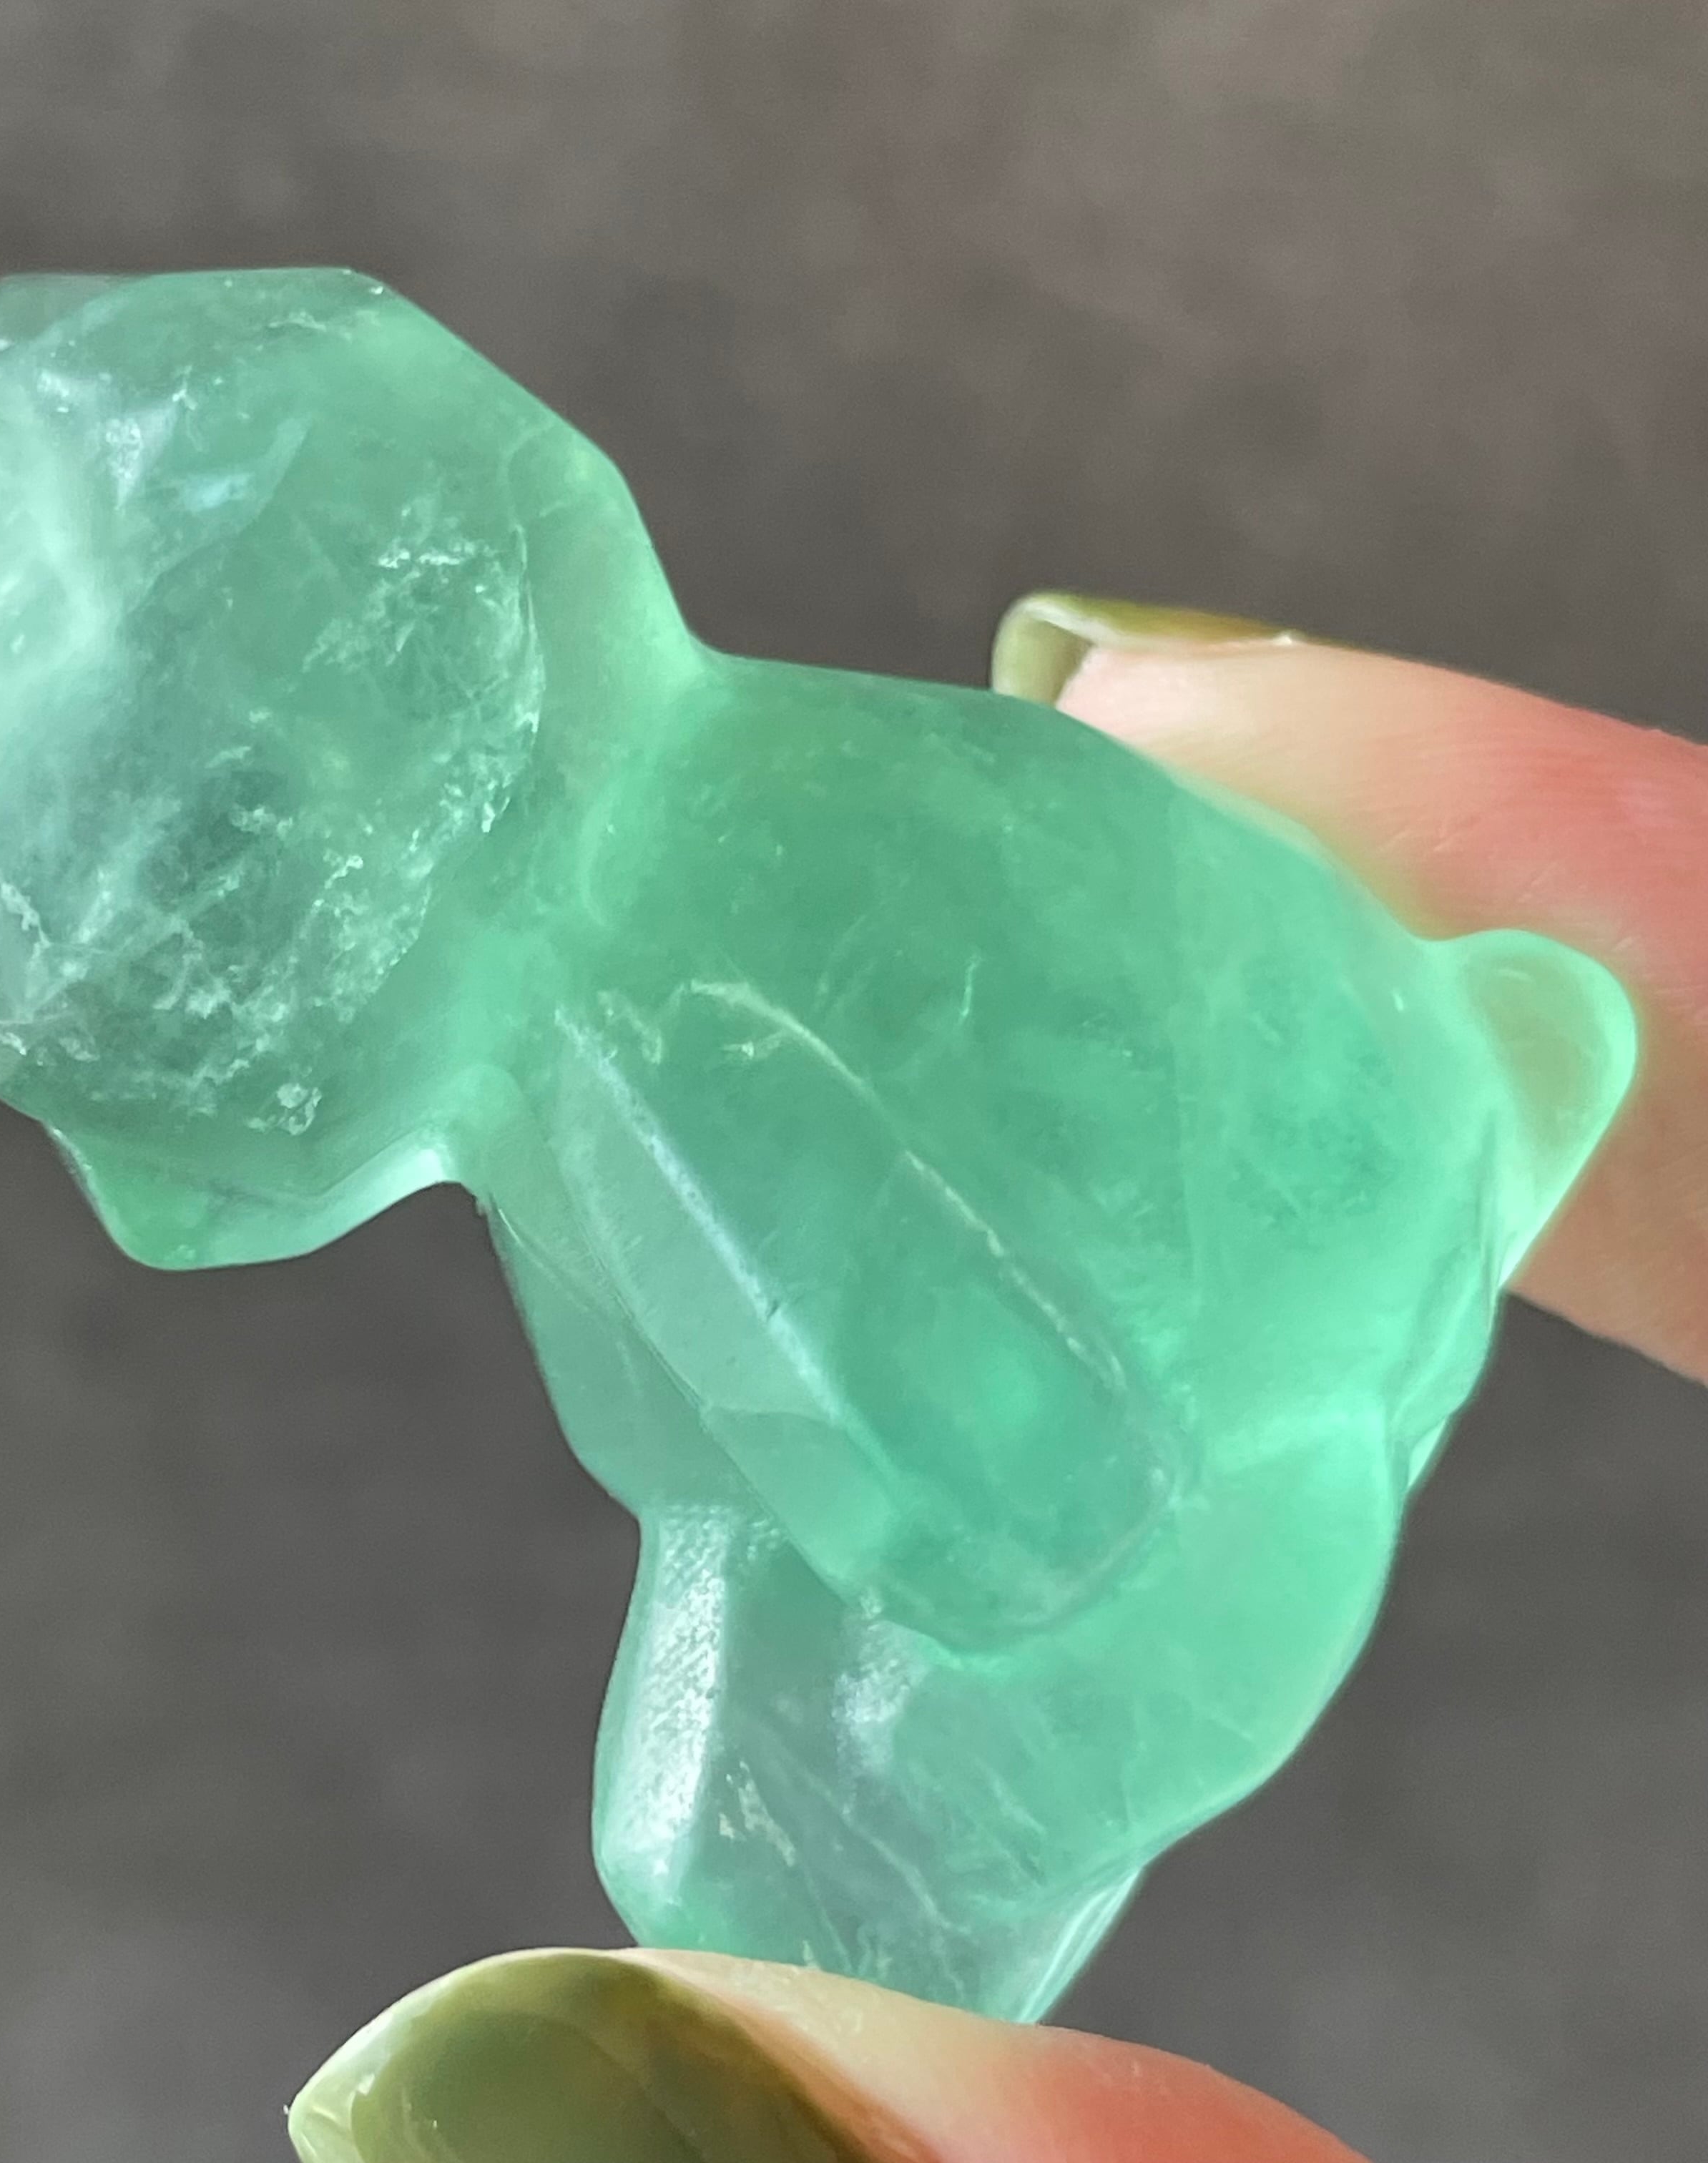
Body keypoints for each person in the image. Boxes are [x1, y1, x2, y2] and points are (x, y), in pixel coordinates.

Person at [281, 597, 1708, 2163]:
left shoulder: (644, 1019)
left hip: (1224, 1443)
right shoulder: (629, 962)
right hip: (1372, 1155)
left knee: (746, 1879)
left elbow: (1031, 1490)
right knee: (730, 1866)